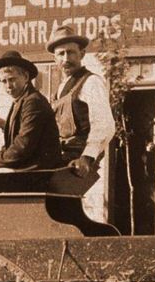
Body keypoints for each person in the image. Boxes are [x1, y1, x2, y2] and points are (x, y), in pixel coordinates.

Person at [45, 25, 116, 181]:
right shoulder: (61, 88)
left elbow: (105, 125)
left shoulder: (91, 82)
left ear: (82, 54)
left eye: (71, 52)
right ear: (54, 58)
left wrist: (87, 157)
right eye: (61, 54)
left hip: (76, 161)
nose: (66, 59)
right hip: (60, 156)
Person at [0, 50, 63, 171]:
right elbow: (12, 145)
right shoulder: (20, 101)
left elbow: (22, 146)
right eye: (4, 81)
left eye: (12, 79)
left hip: (39, 170)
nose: (8, 86)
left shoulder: (33, 102)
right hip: (27, 166)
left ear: (25, 76)